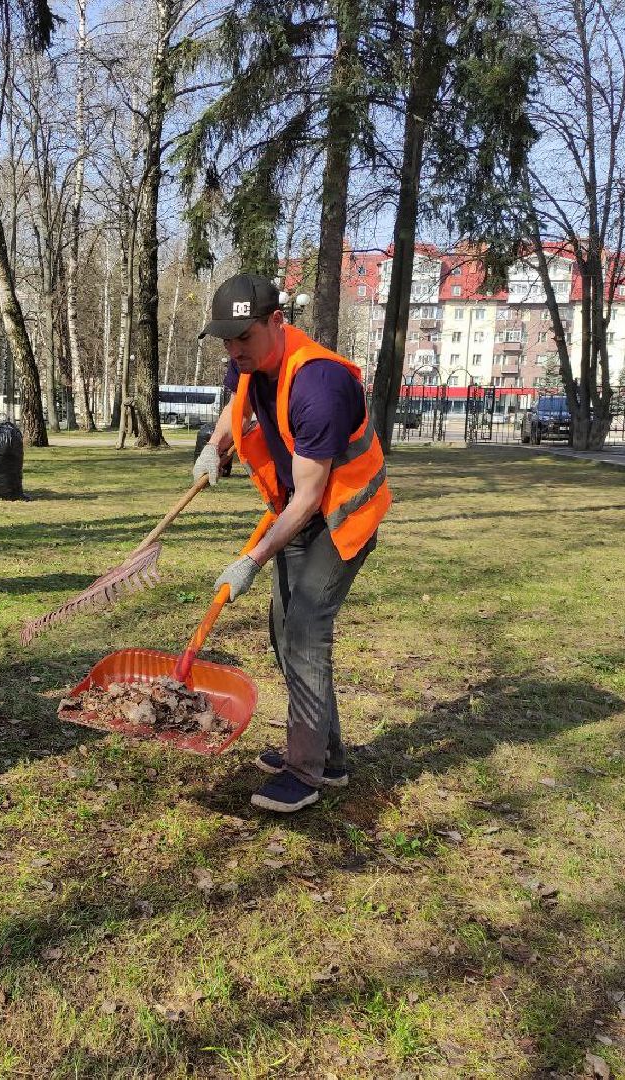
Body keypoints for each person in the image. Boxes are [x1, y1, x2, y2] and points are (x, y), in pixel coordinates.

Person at [193, 273, 391, 814]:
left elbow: (309, 499)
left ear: (276, 322)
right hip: (300, 515)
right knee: (282, 631)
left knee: (305, 629)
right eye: (227, 341)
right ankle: (328, 756)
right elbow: (238, 404)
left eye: (244, 339)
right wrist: (216, 447)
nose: (235, 352)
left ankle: (305, 772)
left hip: (340, 518)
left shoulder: (318, 384)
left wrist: (252, 560)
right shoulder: (250, 361)